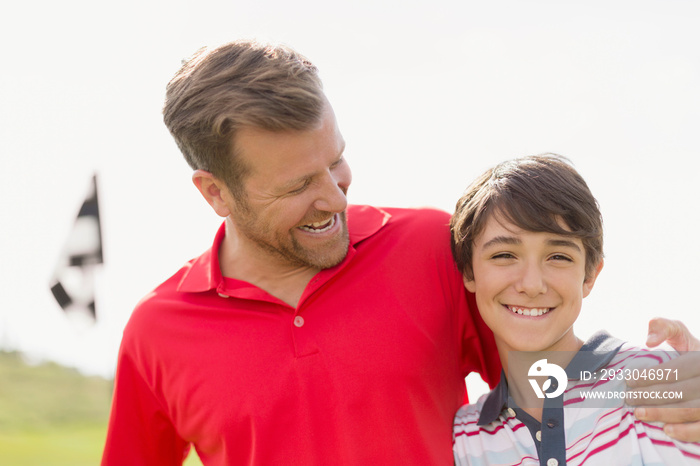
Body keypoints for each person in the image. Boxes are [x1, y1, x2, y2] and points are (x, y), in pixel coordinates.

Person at [102, 40, 700, 465]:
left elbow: (548, 371)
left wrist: (672, 384)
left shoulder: (429, 249)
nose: (334, 196)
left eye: (335, 161)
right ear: (215, 192)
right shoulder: (158, 332)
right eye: (296, 186)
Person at [450, 155, 700, 465]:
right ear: (469, 273)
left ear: (590, 275)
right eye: (504, 254)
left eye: (558, 257)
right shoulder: (465, 438)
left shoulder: (658, 381)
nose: (532, 284)